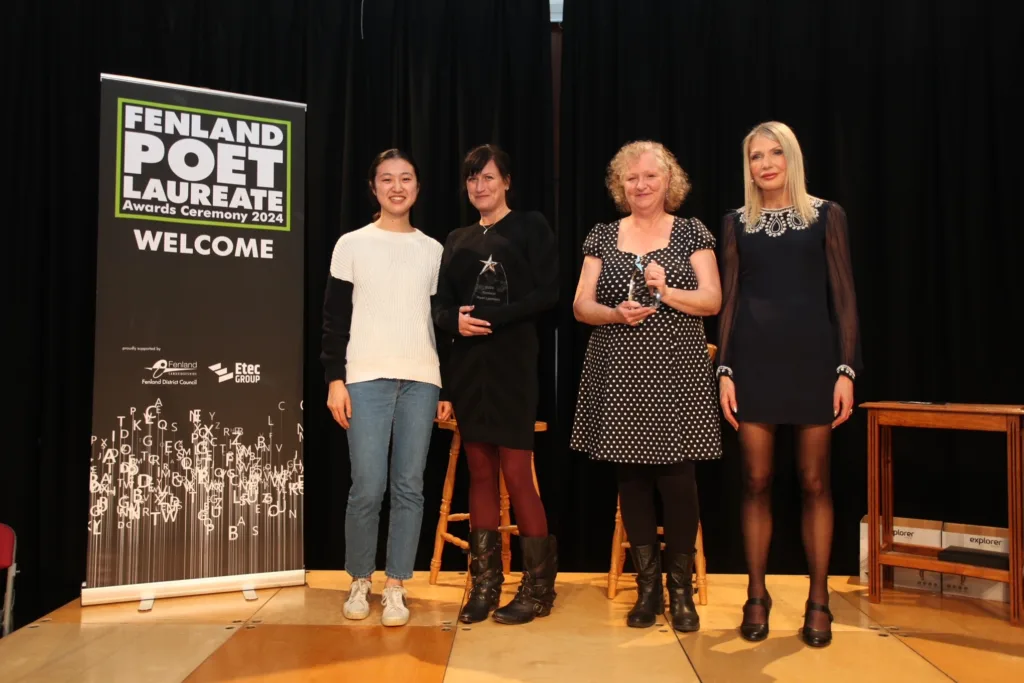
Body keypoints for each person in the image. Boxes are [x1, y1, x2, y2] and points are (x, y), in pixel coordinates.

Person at [716, 121, 861, 648]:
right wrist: (724, 369)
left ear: (791, 159)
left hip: (814, 363)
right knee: (754, 480)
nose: (766, 164)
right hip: (752, 363)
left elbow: (844, 297)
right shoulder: (735, 222)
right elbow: (729, 300)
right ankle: (757, 595)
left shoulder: (827, 216)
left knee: (814, 482)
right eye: (756, 156)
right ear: (748, 165)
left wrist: (846, 369)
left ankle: (818, 599)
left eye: (775, 153)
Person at [571, 140, 723, 632]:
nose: (641, 185)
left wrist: (665, 291)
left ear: (668, 183)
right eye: (631, 178)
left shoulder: (691, 232)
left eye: (650, 177)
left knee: (678, 481)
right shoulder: (602, 234)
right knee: (631, 480)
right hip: (618, 369)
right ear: (621, 185)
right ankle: (648, 590)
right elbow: (580, 306)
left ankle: (681, 594)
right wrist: (616, 313)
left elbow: (713, 301)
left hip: (676, 372)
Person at [431, 144, 558, 626]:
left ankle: (538, 588)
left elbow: (548, 292)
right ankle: (485, 585)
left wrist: (495, 318)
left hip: (513, 365)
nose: (479, 187)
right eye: (471, 180)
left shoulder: (531, 225)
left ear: (506, 181)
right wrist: (454, 323)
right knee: (478, 473)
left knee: (516, 473)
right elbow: (441, 305)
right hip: (468, 367)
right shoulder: (457, 237)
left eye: (487, 177)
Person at [320, 149, 448, 628]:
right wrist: (335, 377)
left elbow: (440, 323)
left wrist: (446, 385)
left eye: (406, 178)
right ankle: (360, 579)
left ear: (417, 187)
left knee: (410, 487)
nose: (397, 187)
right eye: (387, 179)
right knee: (367, 487)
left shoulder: (434, 250)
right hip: (366, 376)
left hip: (422, 378)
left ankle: (396, 585)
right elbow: (334, 319)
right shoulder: (351, 243)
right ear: (373, 188)